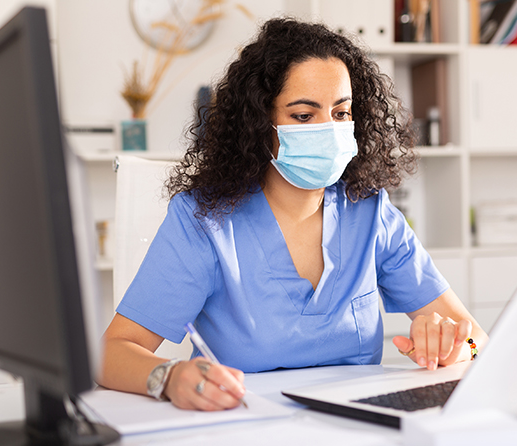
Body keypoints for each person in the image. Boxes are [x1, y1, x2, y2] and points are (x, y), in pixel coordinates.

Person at [99, 17, 487, 411]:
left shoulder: (370, 212)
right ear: (258, 124)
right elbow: (112, 353)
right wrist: (169, 377)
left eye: (340, 113)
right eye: (303, 116)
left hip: (356, 430)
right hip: (246, 428)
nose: (328, 129)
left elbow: (479, 341)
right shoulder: (206, 220)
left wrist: (457, 347)